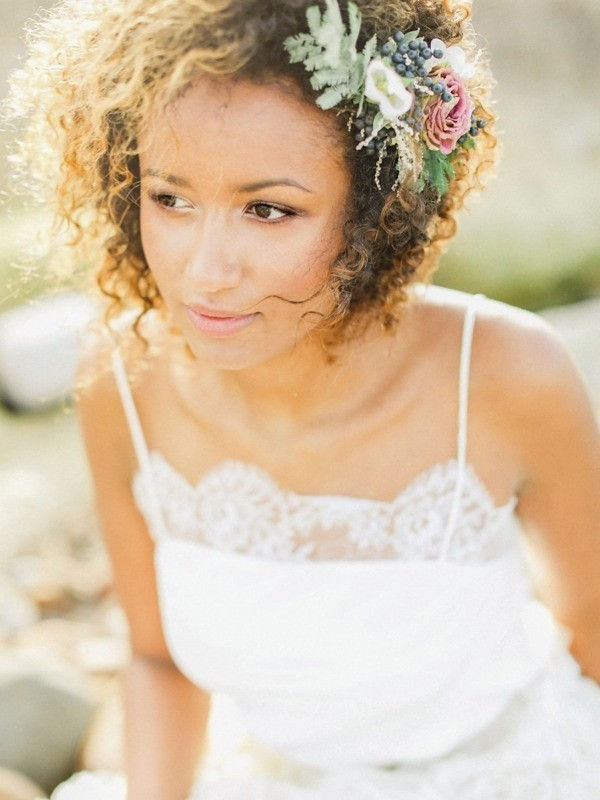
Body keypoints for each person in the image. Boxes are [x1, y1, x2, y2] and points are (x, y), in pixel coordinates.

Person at [4, 0, 600, 798]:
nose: (204, 271)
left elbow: (594, 633)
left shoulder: (507, 373)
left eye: (269, 210)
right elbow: (158, 662)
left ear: (380, 209)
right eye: (171, 199)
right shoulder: (124, 377)